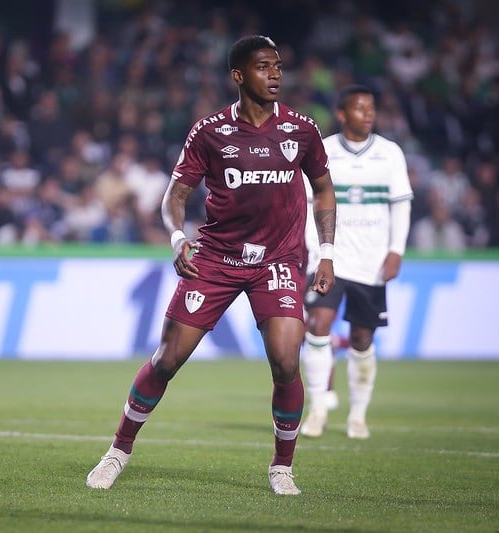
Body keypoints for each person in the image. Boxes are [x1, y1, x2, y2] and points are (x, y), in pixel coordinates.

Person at [86, 35, 336, 496]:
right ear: (238, 76)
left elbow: (323, 188)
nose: (275, 74)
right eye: (264, 67)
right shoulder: (210, 131)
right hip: (216, 259)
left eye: (278, 66)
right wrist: (179, 237)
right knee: (167, 360)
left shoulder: (301, 129)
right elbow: (175, 195)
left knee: (286, 361)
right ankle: (118, 451)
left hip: (278, 260)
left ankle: (282, 467)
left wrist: (327, 251)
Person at [300, 85, 412, 440]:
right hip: (330, 259)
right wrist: (316, 253)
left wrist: (396, 250)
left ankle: (358, 415)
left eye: (372, 108)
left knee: (362, 338)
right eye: (360, 108)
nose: (368, 114)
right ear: (342, 114)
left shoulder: (390, 153)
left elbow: (401, 205)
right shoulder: (325, 151)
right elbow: (308, 206)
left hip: (372, 262)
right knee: (317, 325)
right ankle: (318, 408)